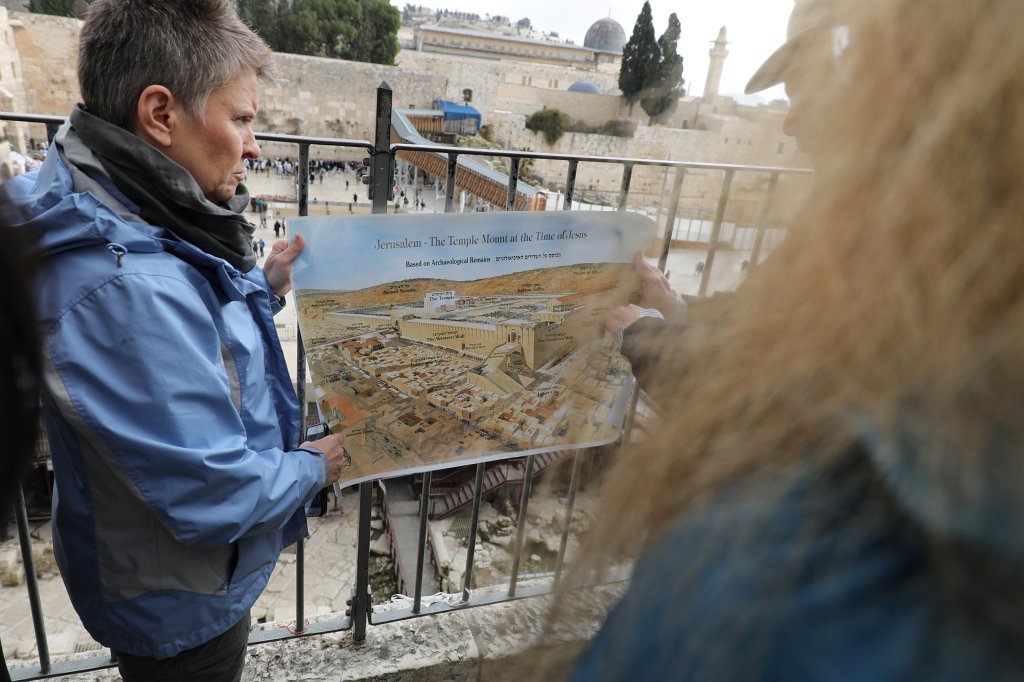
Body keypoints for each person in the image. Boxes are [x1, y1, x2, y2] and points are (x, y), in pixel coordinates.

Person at [561, 0, 1024, 678]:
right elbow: (770, 339)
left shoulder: (880, 259)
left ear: (885, 74)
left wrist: (651, 338)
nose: (792, 122)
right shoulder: (918, 263)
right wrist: (676, 310)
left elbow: (771, 391)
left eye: (810, 90)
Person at [0, 1, 346, 679]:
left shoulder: (113, 200)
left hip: (160, 566)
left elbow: (185, 323)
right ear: (159, 115)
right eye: (241, 118)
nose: (254, 146)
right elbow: (209, 491)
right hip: (181, 603)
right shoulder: (121, 287)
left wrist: (260, 288)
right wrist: (316, 466)